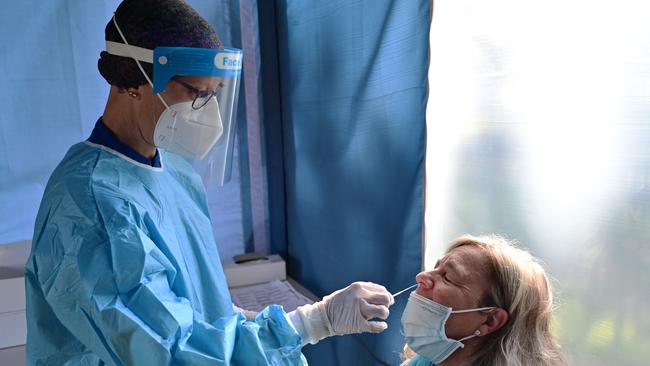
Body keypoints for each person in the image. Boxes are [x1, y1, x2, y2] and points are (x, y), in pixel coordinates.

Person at [23, 1, 393, 365]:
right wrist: (311, 323)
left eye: (214, 95)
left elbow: (194, 307)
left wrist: (254, 321)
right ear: (135, 80)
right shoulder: (93, 205)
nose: (208, 113)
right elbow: (167, 351)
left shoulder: (173, 169)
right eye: (197, 94)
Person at [400, 234, 566, 366]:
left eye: (447, 277)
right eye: (435, 267)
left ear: (491, 321)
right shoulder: (425, 362)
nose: (421, 276)